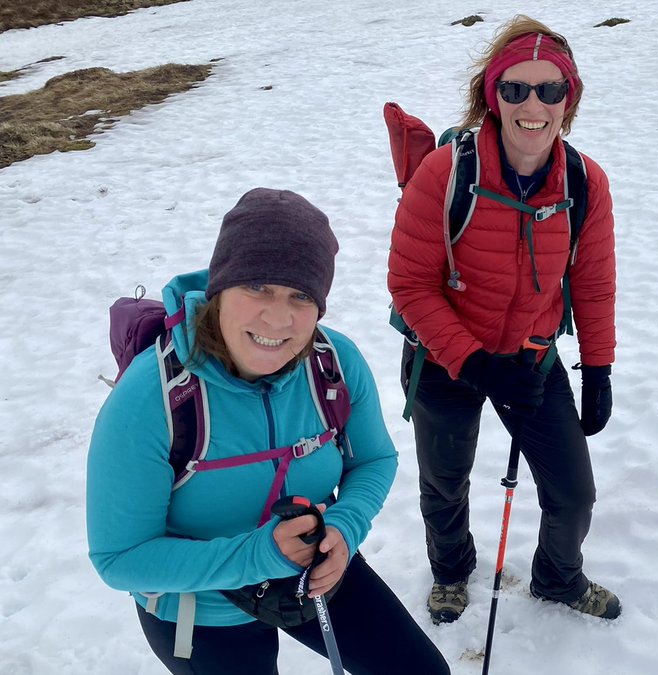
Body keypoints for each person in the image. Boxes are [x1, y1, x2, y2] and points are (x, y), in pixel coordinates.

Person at [88, 188, 449, 675]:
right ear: (220, 287)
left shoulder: (333, 364)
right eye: (257, 286)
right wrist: (258, 554)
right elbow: (120, 558)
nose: (278, 318)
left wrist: (343, 529)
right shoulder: (150, 400)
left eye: (301, 295)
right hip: (203, 609)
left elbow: (374, 460)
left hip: (316, 569)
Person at [387, 15, 619, 625]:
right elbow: (410, 284)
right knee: (445, 487)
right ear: (493, 96)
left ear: (569, 100)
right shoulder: (446, 173)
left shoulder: (583, 183)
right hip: (444, 360)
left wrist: (597, 370)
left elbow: (593, 287)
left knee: (573, 495)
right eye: (516, 89)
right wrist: (475, 362)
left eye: (551, 89)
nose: (533, 105)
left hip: (532, 360)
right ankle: (450, 571)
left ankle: (557, 578)